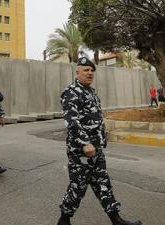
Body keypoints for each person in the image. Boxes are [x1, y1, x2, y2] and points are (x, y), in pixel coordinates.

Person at [57, 57, 142, 225]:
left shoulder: (91, 92)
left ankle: (116, 219)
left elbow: (95, 117)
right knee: (78, 186)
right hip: (81, 151)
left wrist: (101, 138)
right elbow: (72, 122)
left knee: (103, 182)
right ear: (77, 72)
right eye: (86, 70)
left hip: (96, 149)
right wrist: (85, 143)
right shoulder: (71, 92)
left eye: (91, 70)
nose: (90, 73)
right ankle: (64, 220)